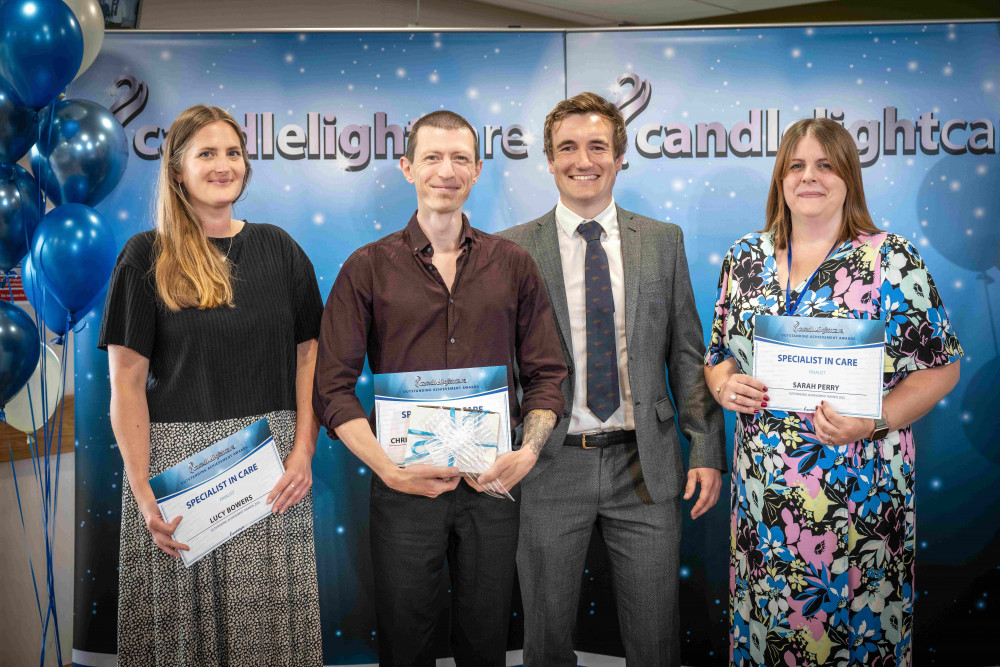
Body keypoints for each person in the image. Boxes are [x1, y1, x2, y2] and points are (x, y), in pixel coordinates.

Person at [312, 109, 567, 667]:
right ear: (407, 168)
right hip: (403, 488)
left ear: (477, 169)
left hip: (493, 485)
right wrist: (389, 470)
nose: (445, 171)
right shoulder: (367, 268)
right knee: (406, 645)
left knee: (485, 643)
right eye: (431, 157)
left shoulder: (515, 266)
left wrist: (528, 452)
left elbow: (548, 372)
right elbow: (331, 389)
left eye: (459, 159)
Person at [704, 117, 962, 667]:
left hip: (862, 493)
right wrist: (726, 387)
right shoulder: (744, 258)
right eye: (796, 165)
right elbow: (718, 356)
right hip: (765, 498)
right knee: (770, 632)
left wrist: (874, 420)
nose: (809, 176)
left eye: (824, 164)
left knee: (859, 636)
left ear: (849, 175)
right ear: (780, 178)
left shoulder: (892, 260)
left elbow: (940, 370)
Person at [497, 92, 728, 667]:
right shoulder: (510, 250)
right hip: (549, 464)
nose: (584, 160)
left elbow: (686, 353)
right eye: (567, 148)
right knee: (545, 642)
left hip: (644, 465)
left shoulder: (662, 240)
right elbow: (500, 362)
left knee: (655, 641)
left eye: (598, 146)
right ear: (549, 160)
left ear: (620, 156)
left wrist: (705, 447)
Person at [100, 105, 324, 666]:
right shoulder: (143, 256)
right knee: (185, 644)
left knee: (264, 639)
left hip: (270, 469)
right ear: (177, 171)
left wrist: (304, 450)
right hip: (178, 472)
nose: (224, 165)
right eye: (206, 154)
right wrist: (142, 491)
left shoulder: (280, 248)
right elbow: (126, 383)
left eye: (232, 152)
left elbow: (310, 356)